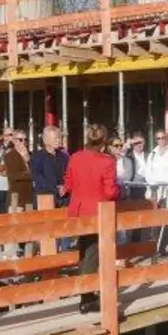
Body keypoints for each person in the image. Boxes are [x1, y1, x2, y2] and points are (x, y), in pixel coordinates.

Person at [65, 124, 122, 314]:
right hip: (98, 211)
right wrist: (120, 190)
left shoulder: (75, 157)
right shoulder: (107, 161)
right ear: (104, 141)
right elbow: (110, 191)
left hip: (79, 209)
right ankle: (87, 299)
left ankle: (87, 294)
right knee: (92, 254)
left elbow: (69, 184)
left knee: (85, 252)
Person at [29, 126, 70, 212]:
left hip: (63, 199)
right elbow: (38, 178)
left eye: (60, 137)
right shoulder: (37, 157)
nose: (59, 140)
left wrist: (65, 186)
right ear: (46, 140)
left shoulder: (64, 156)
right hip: (45, 198)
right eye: (56, 138)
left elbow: (69, 174)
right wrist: (56, 188)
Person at [4, 131, 34, 211]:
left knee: (29, 222)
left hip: (29, 197)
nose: (23, 142)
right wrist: (33, 174)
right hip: (16, 197)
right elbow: (15, 175)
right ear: (14, 141)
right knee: (15, 222)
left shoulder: (31, 155)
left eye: (25, 139)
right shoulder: (9, 156)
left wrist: (28, 160)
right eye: (20, 139)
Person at [145, 130, 168, 203]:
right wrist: (152, 188)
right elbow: (148, 173)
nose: (161, 140)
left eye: (163, 137)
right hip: (155, 192)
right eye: (158, 138)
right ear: (156, 140)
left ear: (166, 138)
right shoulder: (152, 154)